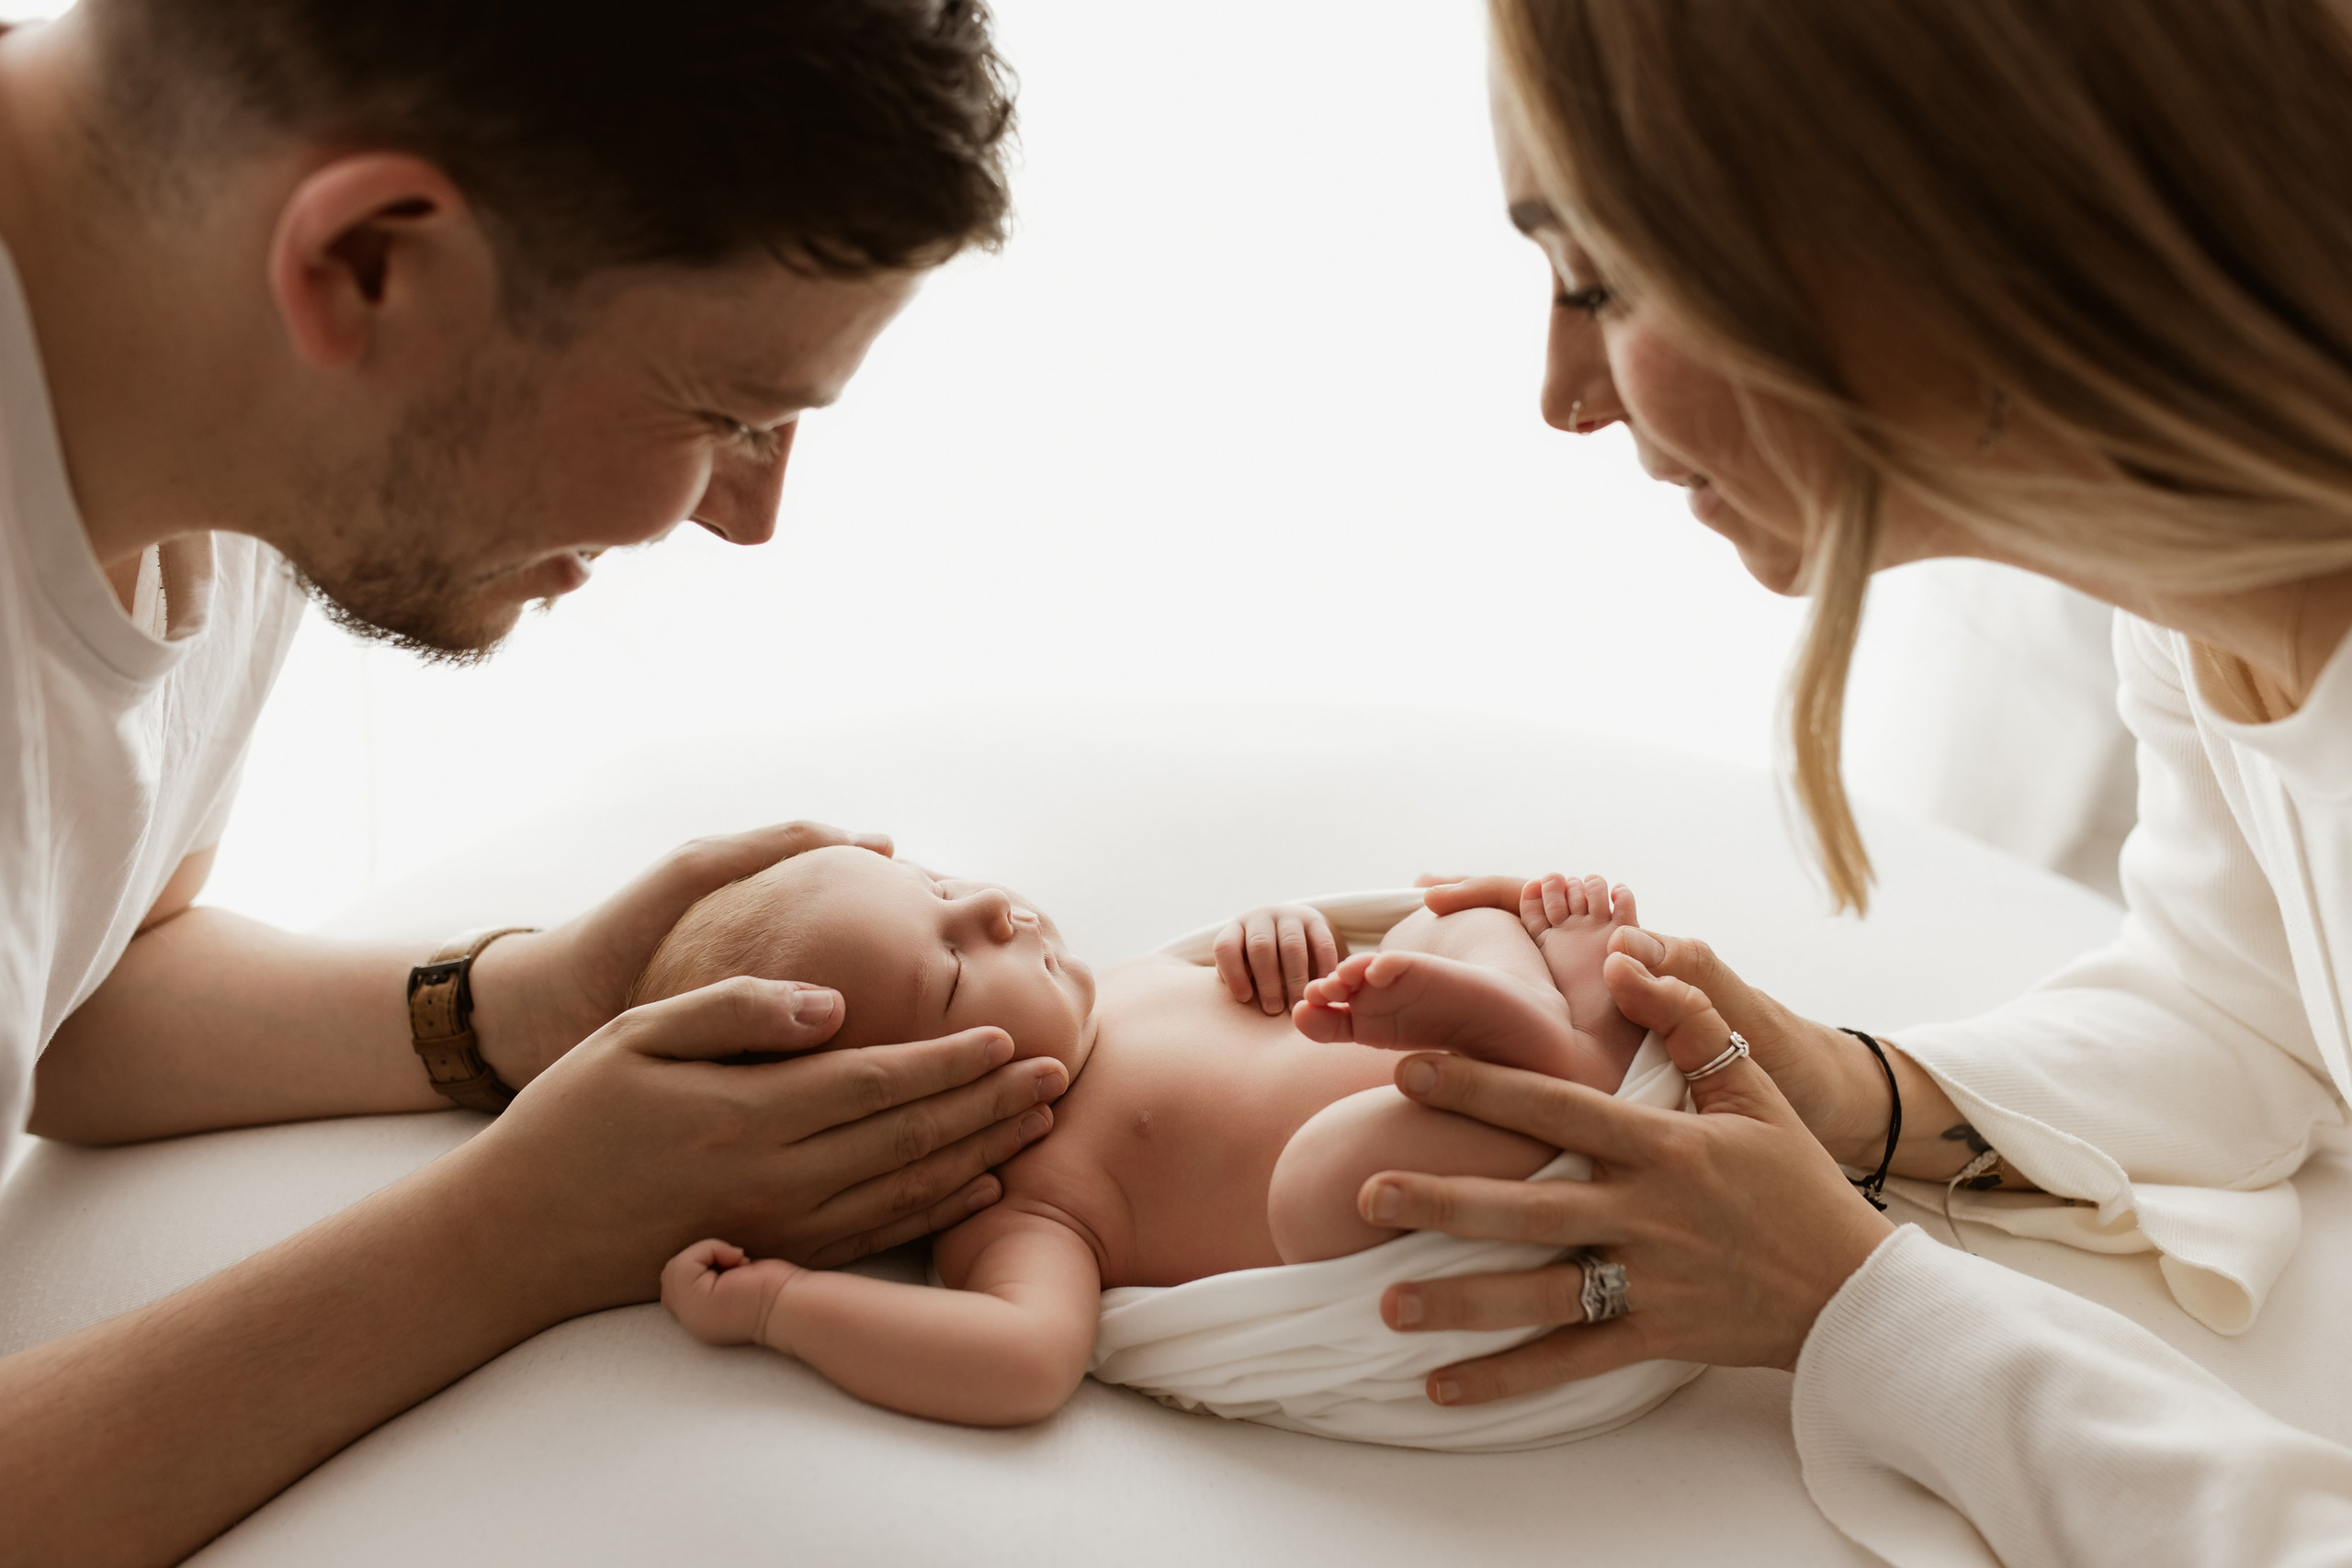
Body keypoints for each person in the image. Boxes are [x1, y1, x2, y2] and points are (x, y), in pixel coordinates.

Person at [0, 4, 1079, 1562]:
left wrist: (517, 1010)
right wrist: (511, 1234)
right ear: (370, 259)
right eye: (722, 413)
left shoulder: (205, 381)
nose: (745, 518)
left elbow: (78, 995)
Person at [1329, 3, 2352, 1563]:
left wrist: (1848, 1306)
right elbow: (2248, 1010)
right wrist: (1854, 1094)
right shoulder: (2199, 582)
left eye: (1599, 278)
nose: (1564, 391)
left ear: (1908, 211)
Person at [640, 847, 1667, 1427]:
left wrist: (1276, 939)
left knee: (1421, 930)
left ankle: (1562, 1025)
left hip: (1449, 1051)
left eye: (946, 891)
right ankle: (1559, 1049)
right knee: (1319, 1181)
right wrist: (783, 1308)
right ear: (894, 1119)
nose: (999, 908)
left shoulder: (1124, 983)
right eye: (948, 967)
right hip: (1463, 1178)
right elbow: (1023, 1359)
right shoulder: (1022, 1200)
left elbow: (1292, 997)